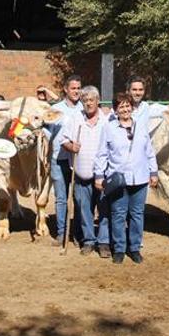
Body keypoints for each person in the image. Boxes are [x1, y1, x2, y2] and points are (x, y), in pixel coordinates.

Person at [93, 93, 159, 264]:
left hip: (140, 177)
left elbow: (149, 151)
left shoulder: (141, 127)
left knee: (137, 214)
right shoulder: (109, 128)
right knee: (118, 214)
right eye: (121, 106)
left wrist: (153, 172)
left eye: (127, 105)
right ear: (115, 110)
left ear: (131, 107)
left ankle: (135, 248)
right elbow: (102, 154)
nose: (125, 109)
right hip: (118, 178)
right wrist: (99, 175)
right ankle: (119, 248)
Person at [59, 85, 110, 257]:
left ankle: (103, 242)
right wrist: (71, 146)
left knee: (104, 209)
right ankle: (88, 241)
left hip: (102, 174)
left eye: (91, 100)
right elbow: (64, 140)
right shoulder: (75, 119)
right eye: (85, 100)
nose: (88, 103)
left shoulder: (106, 121)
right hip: (80, 173)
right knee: (83, 208)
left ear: (97, 101)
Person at [46, 75, 83, 246]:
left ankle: (76, 233)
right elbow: (46, 132)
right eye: (73, 88)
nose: (76, 91)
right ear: (66, 90)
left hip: (78, 160)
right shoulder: (55, 109)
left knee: (77, 198)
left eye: (78, 88)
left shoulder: (84, 108)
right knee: (61, 198)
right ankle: (61, 233)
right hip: (58, 159)